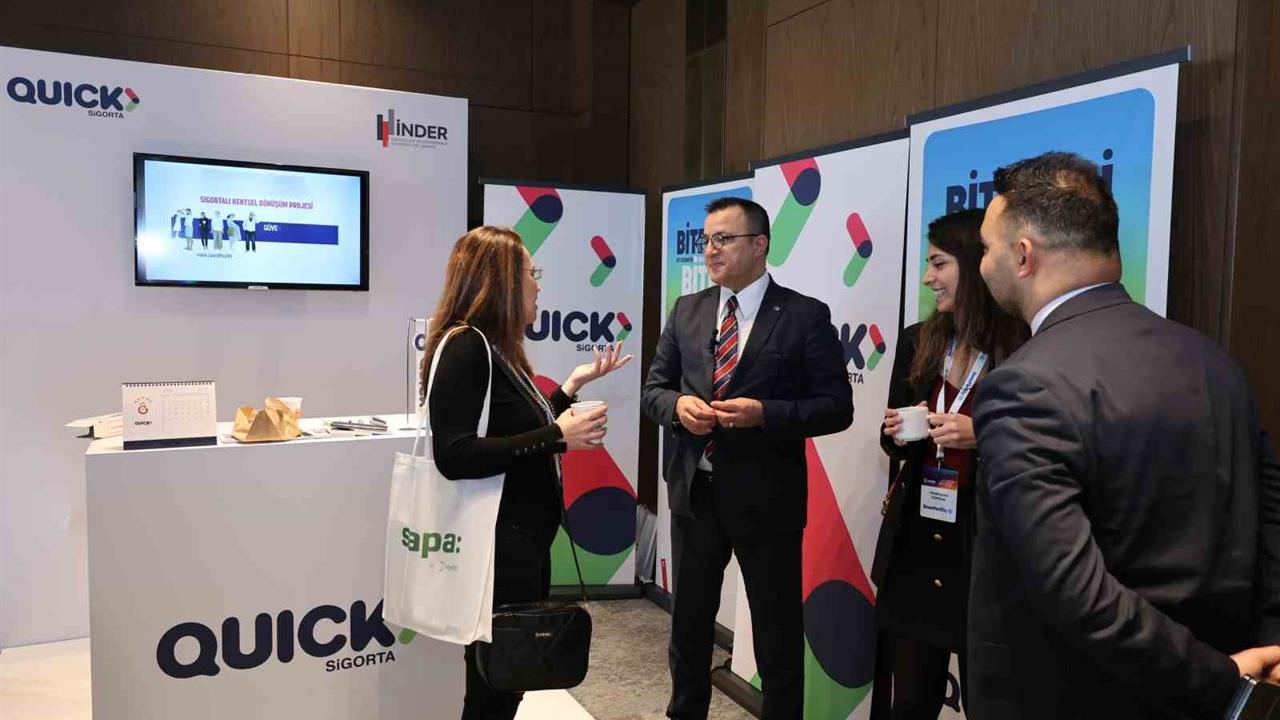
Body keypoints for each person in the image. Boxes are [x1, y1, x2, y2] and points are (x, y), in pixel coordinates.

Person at [969, 150, 1280, 719]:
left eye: (986, 248)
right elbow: (1270, 527)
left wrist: (1221, 681)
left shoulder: (1024, 385)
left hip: (1079, 697)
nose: (982, 264)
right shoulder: (1215, 362)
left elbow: (1074, 590)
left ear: (1023, 255)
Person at [642, 197, 853, 719]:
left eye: (723, 239)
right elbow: (654, 390)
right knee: (689, 627)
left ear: (759, 245)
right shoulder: (687, 310)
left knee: (777, 633)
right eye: (706, 240)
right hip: (695, 494)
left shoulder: (804, 316)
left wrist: (766, 414)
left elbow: (836, 407)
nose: (710, 250)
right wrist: (678, 408)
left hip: (768, 501)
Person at [423, 226, 633, 720]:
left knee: (506, 680)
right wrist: (557, 436)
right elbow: (454, 454)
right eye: (529, 272)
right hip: (496, 549)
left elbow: (511, 429)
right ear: (498, 281)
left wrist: (568, 389)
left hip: (519, 546)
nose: (538, 284)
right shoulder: (466, 347)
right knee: (494, 688)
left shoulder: (496, 348)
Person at [871, 209, 1027, 719]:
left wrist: (982, 435)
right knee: (909, 698)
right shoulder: (919, 340)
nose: (927, 278)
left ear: (975, 264)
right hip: (917, 539)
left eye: (938, 264)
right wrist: (897, 432)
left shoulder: (1022, 344)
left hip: (985, 542)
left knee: (992, 698)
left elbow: (1048, 443)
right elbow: (892, 443)